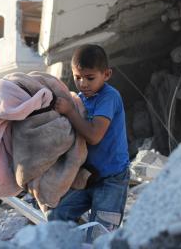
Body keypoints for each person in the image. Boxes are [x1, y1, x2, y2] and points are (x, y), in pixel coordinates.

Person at [48, 44, 130, 236]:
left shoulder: (109, 97)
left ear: (107, 74)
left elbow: (94, 136)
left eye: (90, 78)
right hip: (87, 176)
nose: (83, 83)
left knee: (100, 234)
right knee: (57, 216)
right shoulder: (80, 99)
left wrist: (69, 111)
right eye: (78, 77)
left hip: (112, 179)